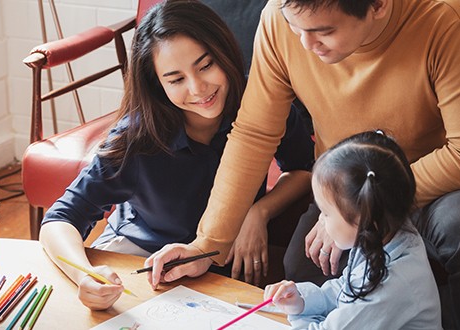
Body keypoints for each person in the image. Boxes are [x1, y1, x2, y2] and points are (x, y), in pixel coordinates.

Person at [146, 0, 460, 328]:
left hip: (438, 184)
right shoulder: (278, 19)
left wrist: (359, 207)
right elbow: (255, 134)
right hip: (344, 188)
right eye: (296, 27)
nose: (305, 44)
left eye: (323, 31)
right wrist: (206, 244)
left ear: (378, 5)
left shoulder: (445, 22)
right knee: (304, 266)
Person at [40, 0, 314, 310]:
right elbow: (60, 218)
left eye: (205, 65)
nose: (198, 88)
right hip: (139, 263)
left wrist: (258, 212)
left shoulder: (261, 106)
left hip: (218, 265)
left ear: (224, 51)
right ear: (158, 85)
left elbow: (303, 169)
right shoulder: (136, 138)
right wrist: (84, 275)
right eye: (176, 79)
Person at [264, 131, 441, 329]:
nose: (321, 219)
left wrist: (298, 317)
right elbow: (345, 290)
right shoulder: (384, 236)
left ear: (364, 219)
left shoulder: (386, 289)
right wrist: (302, 301)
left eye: (327, 213)